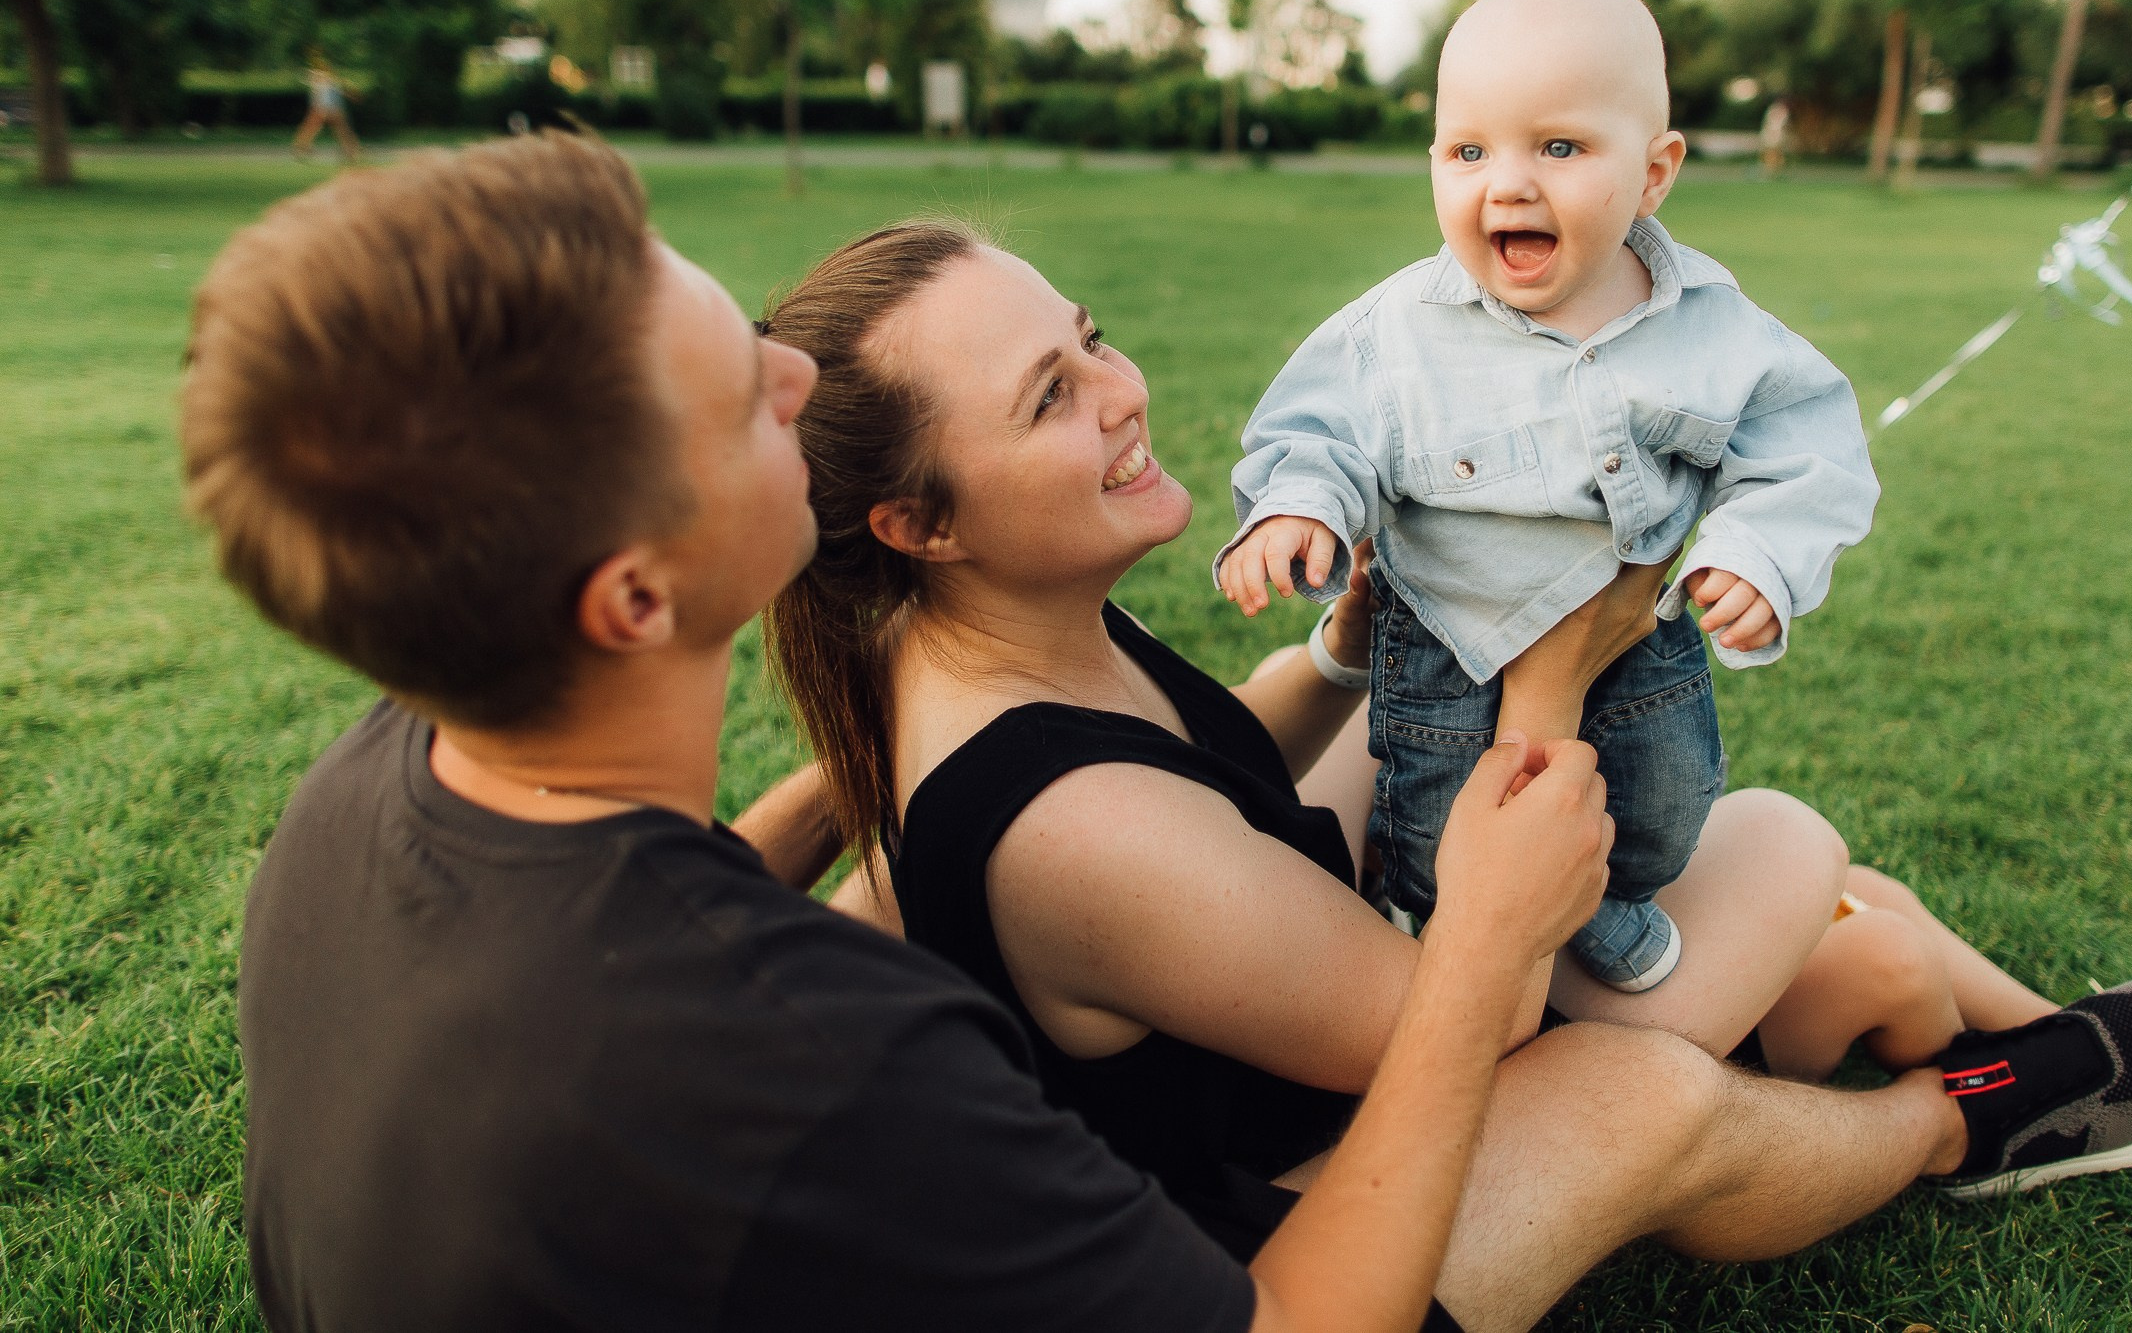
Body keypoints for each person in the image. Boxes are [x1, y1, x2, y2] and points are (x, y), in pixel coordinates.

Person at [183, 133, 1620, 1333]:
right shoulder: (820, 1062)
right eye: (744, 395)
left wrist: (906, 773)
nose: (799, 384)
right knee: (1651, 1089)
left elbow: (673, 896)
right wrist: (1486, 939)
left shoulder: (376, 781)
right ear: (634, 592)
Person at [752, 215, 2132, 1323]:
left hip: (1256, 1051)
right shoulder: (1072, 825)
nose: (1119, 391)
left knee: (1769, 873)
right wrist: (1555, 665)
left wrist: (1350, 644)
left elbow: (1212, 777)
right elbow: (1482, 1008)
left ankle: (1904, 979)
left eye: (1088, 336)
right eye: (1046, 398)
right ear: (917, 524)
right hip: (1276, 1226)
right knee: (1691, 997)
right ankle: (1966, 1111)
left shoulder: (984, 625)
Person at [1217, 0, 1878, 991]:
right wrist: (1300, 501)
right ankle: (1429, 903)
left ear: (1654, 172)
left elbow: (1806, 442)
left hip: (1636, 638)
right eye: (1469, 149)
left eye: (1559, 147)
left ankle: (1607, 900)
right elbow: (1316, 425)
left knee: (1662, 808)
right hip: (1449, 638)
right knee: (1444, 834)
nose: (1508, 183)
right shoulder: (1398, 330)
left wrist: (1759, 553)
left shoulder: (1708, 326)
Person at [289, 51, 360, 163]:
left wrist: (351, 94)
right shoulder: (321, 78)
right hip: (325, 108)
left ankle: (302, 149)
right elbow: (340, 89)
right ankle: (302, 149)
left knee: (335, 130)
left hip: (326, 108)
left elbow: (342, 90)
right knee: (337, 130)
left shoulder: (327, 79)